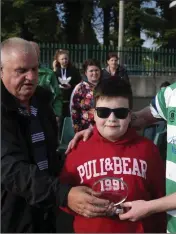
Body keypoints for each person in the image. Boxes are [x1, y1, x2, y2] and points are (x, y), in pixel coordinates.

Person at [66, 13, 176, 233]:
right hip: (175, 225)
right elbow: (139, 118)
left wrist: (150, 207)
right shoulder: (172, 94)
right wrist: (101, 124)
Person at [1, 37, 110, 233]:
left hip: (46, 215)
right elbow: (12, 170)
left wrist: (82, 149)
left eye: (35, 69)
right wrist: (63, 194)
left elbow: (49, 157)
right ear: (1, 71)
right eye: (21, 70)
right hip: (12, 218)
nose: (31, 77)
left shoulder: (42, 103)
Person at [60, 78, 166, 233]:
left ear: (130, 115)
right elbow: (64, 197)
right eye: (103, 112)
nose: (112, 119)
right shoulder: (78, 149)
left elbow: (159, 200)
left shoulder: (148, 150)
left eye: (120, 113)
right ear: (94, 115)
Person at [30, 41, 62, 124]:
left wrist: (57, 115)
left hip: (45, 117)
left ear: (39, 53)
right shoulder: (17, 73)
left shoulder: (49, 74)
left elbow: (57, 96)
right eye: (30, 50)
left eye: (35, 51)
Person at [70, 59, 102, 132]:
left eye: (96, 70)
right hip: (85, 129)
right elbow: (74, 110)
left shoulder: (106, 86)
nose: (94, 73)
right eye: (91, 71)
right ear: (86, 73)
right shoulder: (80, 88)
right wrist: (77, 130)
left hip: (102, 129)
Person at [53, 49, 81, 118]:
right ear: (58, 60)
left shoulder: (74, 70)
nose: (64, 60)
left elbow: (79, 83)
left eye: (66, 58)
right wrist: (54, 69)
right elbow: (52, 83)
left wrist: (71, 86)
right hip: (59, 99)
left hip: (70, 98)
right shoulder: (56, 71)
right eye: (62, 59)